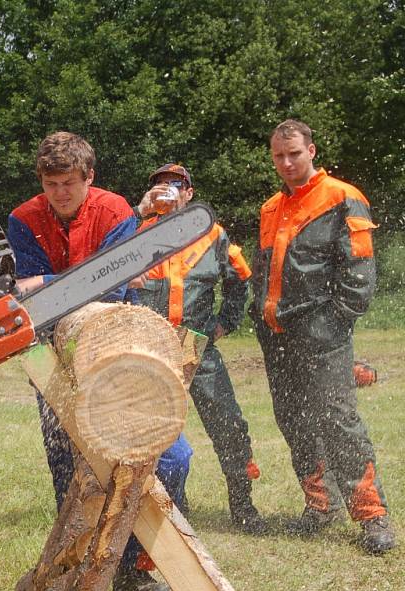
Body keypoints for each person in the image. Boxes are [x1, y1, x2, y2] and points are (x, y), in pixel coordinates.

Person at [8, 131, 188, 591]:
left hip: (115, 345)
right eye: (51, 184)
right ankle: (67, 571)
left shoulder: (115, 212)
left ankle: (133, 568)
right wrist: (46, 288)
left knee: (169, 456)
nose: (59, 192)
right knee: (66, 462)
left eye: (68, 182)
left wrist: (46, 282)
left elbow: (106, 287)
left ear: (89, 177)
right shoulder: (23, 219)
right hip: (53, 350)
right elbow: (32, 300)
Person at [249, 119, 395, 554]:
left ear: (311, 151)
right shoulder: (271, 206)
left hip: (322, 331)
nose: (287, 162)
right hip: (277, 334)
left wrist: (334, 323)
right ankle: (320, 505)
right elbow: (264, 270)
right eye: (279, 155)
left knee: (338, 421)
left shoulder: (342, 198)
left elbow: (359, 276)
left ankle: (372, 515)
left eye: (294, 153)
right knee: (294, 421)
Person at [129, 163, 266, 534]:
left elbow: (240, 278)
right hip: (150, 346)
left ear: (189, 193)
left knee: (228, 423)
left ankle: (243, 503)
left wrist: (227, 321)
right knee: (154, 431)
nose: (167, 191)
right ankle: (170, 501)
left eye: (175, 185)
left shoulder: (213, 235)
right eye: (159, 185)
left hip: (196, 345)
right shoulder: (136, 234)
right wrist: (136, 212)